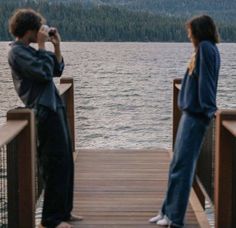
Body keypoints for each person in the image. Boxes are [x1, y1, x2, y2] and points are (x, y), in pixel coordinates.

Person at [8, 9, 82, 228]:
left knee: (65, 161)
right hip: (42, 110)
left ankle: (64, 212)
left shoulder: (29, 50)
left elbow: (56, 69)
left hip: (54, 106)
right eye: (38, 28)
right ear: (28, 30)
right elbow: (42, 73)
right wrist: (42, 47)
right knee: (52, 163)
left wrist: (56, 46)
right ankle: (50, 220)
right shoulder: (17, 52)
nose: (41, 32)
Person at [149, 15, 220, 227]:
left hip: (197, 117)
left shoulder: (207, 48)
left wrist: (208, 111)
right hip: (189, 115)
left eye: (191, 31)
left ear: (199, 31)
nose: (189, 35)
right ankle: (166, 211)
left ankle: (175, 218)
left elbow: (207, 82)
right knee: (176, 165)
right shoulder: (202, 49)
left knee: (184, 168)